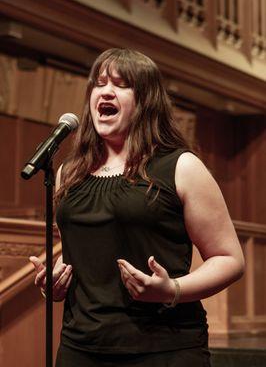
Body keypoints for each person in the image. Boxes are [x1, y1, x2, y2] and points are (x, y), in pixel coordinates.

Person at [30, 48, 245, 367]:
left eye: (120, 84)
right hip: (81, 347)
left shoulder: (181, 167)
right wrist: (56, 281)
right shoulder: (68, 172)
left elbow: (230, 259)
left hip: (164, 348)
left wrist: (171, 289)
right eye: (99, 83)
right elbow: (89, 251)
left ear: (146, 101)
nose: (105, 91)